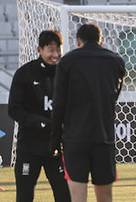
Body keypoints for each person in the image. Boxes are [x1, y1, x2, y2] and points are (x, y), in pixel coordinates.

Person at [50, 23, 126, 202]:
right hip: (103, 137)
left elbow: (59, 104)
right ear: (102, 40)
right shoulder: (116, 61)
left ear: (78, 41)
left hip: (75, 139)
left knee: (78, 197)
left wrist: (55, 139)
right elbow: (113, 96)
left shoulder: (67, 61)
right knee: (105, 197)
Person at [9, 30, 70, 202]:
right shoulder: (24, 73)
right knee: (25, 195)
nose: (55, 54)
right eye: (50, 50)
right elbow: (13, 109)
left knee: (65, 194)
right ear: (39, 50)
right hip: (29, 147)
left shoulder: (66, 73)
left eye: (58, 49)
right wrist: (40, 122)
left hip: (57, 148)